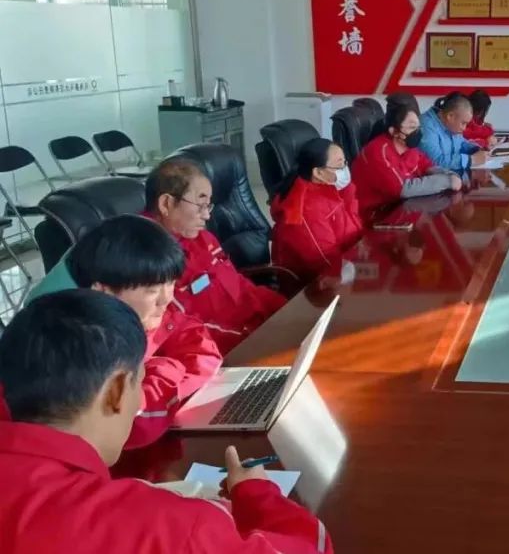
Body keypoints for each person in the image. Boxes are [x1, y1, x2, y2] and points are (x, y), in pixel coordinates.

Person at [0, 290, 332, 552]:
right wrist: (256, 494)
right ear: (116, 391)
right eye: (140, 381)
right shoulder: (168, 529)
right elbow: (310, 548)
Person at [23, 215, 223, 449]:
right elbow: (132, 423)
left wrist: (156, 379)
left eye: (170, 283)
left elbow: (202, 347)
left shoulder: (134, 308)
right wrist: (170, 368)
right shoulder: (74, 345)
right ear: (103, 292)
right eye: (152, 290)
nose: (166, 299)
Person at [146, 157, 286, 353]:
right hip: (232, 351)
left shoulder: (202, 237)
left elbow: (239, 286)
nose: (207, 215)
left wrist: (285, 310)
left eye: (208, 205)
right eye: (200, 204)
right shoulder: (151, 261)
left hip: (254, 332)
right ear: (166, 203)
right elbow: (188, 333)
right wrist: (262, 337)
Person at [270, 138, 364, 282]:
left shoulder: (331, 187)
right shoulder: (305, 210)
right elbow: (327, 264)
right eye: (339, 166)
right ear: (318, 173)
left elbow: (354, 228)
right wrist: (366, 270)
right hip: (314, 286)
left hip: (347, 265)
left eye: (345, 163)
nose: (345, 170)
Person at [354, 103, 463, 223]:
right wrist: (447, 181)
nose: (417, 132)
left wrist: (450, 175)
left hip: (401, 209)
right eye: (412, 127)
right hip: (376, 218)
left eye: (418, 127)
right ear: (394, 131)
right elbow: (403, 189)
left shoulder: (408, 147)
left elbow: (427, 165)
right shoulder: (378, 152)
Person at [419, 92, 486, 175]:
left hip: (453, 177)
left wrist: (477, 149)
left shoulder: (451, 125)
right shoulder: (426, 126)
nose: (464, 128)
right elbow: (436, 163)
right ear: (450, 116)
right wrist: (471, 160)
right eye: (463, 123)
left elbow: (462, 143)